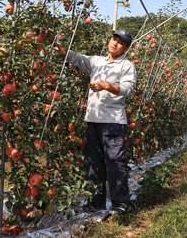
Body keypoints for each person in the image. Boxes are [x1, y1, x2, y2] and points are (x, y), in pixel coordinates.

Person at [54, 29, 137, 216]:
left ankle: (121, 204)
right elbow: (75, 58)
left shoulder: (127, 66)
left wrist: (106, 85)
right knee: (93, 164)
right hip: (93, 119)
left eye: (120, 42)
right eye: (113, 39)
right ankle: (94, 203)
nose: (115, 43)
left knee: (115, 163)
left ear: (126, 48)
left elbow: (128, 89)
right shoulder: (96, 61)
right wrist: (58, 47)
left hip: (113, 121)